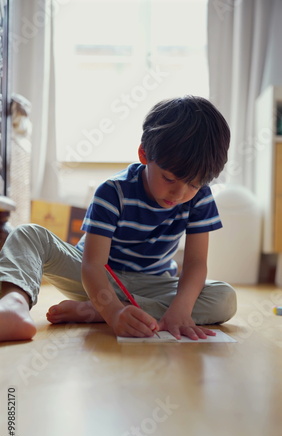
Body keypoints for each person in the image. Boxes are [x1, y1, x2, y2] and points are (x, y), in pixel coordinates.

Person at [0, 95, 237, 342]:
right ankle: (14, 304)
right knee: (28, 234)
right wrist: (113, 312)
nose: (179, 194)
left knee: (224, 298)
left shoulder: (200, 198)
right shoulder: (113, 192)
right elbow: (92, 265)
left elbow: (196, 264)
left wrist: (182, 309)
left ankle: (99, 311)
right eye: (169, 178)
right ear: (144, 155)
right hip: (95, 278)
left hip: (154, 283)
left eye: (194, 184)